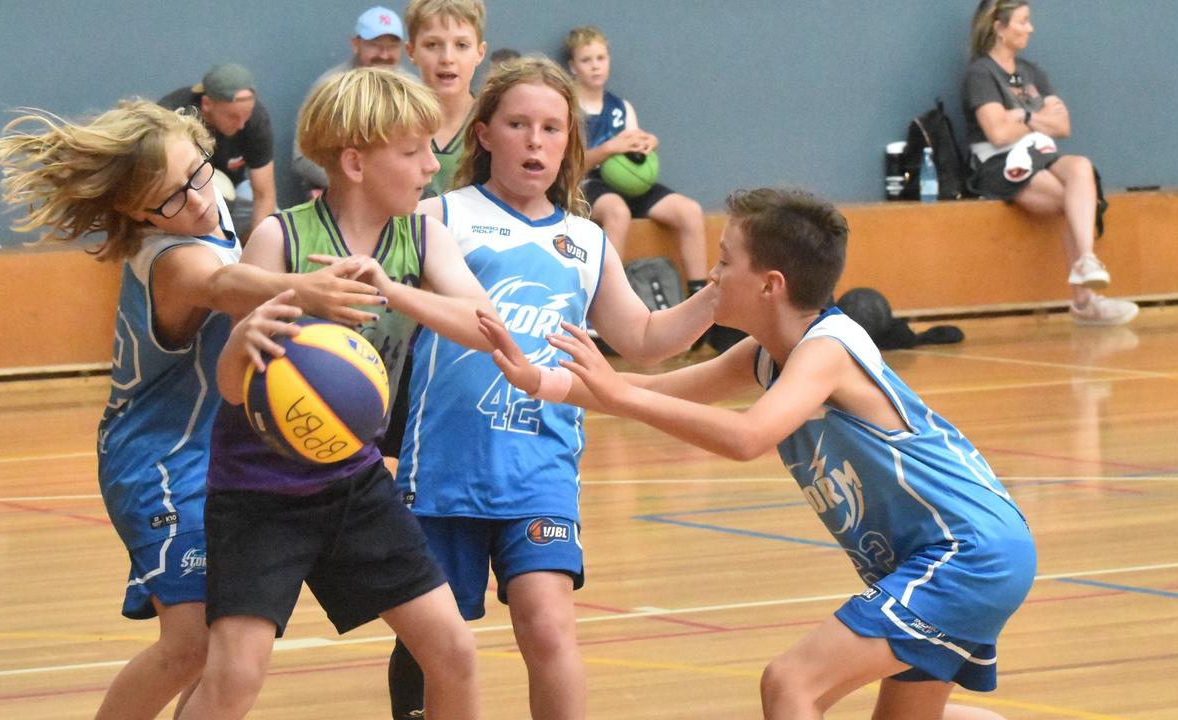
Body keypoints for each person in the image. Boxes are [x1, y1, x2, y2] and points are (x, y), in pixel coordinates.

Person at [481, 187, 1035, 720]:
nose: (713, 276)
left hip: (966, 553)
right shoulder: (769, 352)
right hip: (947, 556)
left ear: (770, 285)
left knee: (790, 682)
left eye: (724, 262)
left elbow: (748, 437)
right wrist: (541, 381)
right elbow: (651, 393)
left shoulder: (828, 348)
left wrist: (621, 392)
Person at [0, 100, 384, 720]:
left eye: (198, 173)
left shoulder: (210, 205)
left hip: (219, 455)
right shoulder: (164, 256)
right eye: (170, 198)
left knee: (223, 653)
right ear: (136, 212)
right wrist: (303, 289)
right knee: (192, 643)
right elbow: (223, 286)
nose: (197, 201)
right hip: (161, 459)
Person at [386, 57, 715, 720]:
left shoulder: (585, 239)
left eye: (552, 128)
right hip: (443, 466)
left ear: (570, 144)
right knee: (433, 642)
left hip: (540, 464)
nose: (535, 141)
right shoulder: (438, 217)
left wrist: (717, 297)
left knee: (548, 625)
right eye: (518, 124)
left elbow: (644, 336)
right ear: (483, 134)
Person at [179, 67, 492, 720]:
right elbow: (235, 390)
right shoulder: (281, 239)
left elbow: (489, 329)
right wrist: (267, 321)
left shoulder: (422, 237)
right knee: (235, 675)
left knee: (454, 652)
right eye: (412, 152)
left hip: (353, 482)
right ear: (354, 161)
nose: (432, 165)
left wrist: (391, 287)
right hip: (258, 492)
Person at [963, 0, 1137, 326]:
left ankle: (1087, 260)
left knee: (1080, 167)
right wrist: (1035, 115)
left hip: (1040, 154)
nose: (1030, 28)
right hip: (999, 164)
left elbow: (1063, 126)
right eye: (1023, 21)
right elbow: (998, 132)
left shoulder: (1031, 72)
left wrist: (1021, 116)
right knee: (1072, 201)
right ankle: (1085, 302)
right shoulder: (981, 73)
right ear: (999, 28)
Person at [564, 26, 709, 302]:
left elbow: (634, 155)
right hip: (587, 183)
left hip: (626, 185)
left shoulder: (621, 107)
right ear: (572, 66)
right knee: (617, 212)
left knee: (690, 211)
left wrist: (647, 144)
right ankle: (605, 299)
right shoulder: (568, 107)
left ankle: (698, 298)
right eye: (586, 60)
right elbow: (569, 167)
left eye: (600, 58)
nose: (595, 66)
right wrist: (607, 149)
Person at [293, 6, 407, 195]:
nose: (384, 55)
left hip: (395, 192)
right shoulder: (329, 88)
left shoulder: (412, 90)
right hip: (338, 194)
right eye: (376, 45)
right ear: (356, 44)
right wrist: (356, 186)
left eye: (392, 46)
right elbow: (301, 157)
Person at [159, 64, 278, 237]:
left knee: (273, 221)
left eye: (247, 115)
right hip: (182, 196)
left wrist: (256, 245)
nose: (242, 124)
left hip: (235, 191)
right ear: (207, 103)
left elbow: (264, 193)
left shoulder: (256, 119)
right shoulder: (172, 117)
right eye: (232, 116)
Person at [405, 0, 487, 199]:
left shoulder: (495, 123)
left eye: (461, 45)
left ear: (480, 52)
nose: (447, 58)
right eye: (432, 45)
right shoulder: (392, 122)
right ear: (411, 51)